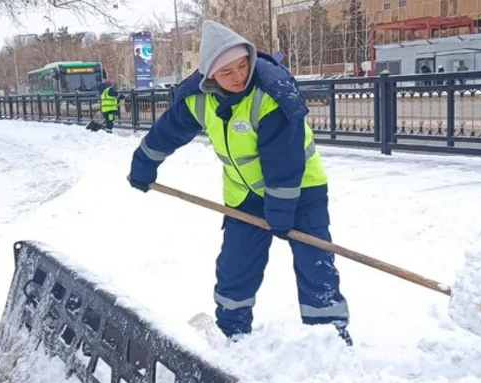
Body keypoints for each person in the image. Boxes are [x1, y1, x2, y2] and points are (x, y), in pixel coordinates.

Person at [126, 20, 352, 346]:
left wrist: (281, 209)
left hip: (300, 189)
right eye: (226, 72)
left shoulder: (271, 93)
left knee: (314, 261)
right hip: (244, 194)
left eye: (243, 66)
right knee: (236, 265)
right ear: (209, 76)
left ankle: (329, 335)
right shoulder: (197, 98)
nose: (238, 77)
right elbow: (168, 131)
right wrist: (144, 163)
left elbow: (284, 160)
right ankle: (232, 331)